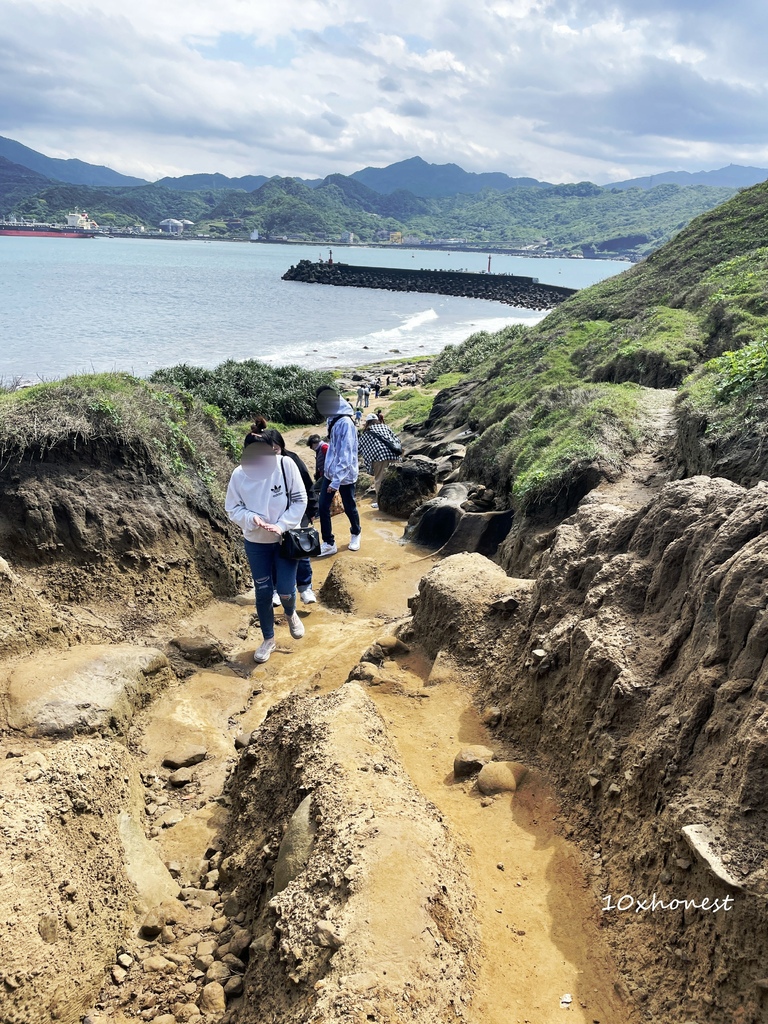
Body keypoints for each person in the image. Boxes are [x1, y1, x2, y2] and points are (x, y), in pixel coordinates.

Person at [225, 435, 307, 663]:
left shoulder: (285, 465)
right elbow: (232, 508)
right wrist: (252, 519)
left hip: (286, 539)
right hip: (256, 542)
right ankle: (268, 639)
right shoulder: (238, 475)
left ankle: (290, 613)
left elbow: (300, 499)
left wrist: (280, 525)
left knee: (285, 591)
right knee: (262, 592)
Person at [262, 428, 318, 605]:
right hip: (272, 517)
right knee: (274, 553)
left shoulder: (292, 460)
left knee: (301, 550)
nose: (273, 455)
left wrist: (311, 510)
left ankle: (305, 588)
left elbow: (308, 486)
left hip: (296, 512)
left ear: (281, 447)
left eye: (276, 450)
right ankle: (277, 590)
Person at [315, 386, 361, 556]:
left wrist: (336, 482)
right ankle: (328, 542)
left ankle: (356, 533)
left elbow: (346, 455)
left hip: (345, 474)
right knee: (323, 506)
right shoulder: (332, 418)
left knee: (349, 506)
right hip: (330, 472)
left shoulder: (346, 423)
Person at [358, 414, 402, 509]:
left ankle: (380, 502)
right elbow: (397, 440)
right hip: (394, 455)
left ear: (367, 422)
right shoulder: (385, 427)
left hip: (379, 458)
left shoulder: (367, 433)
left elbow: (360, 448)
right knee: (394, 478)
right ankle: (397, 501)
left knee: (380, 480)